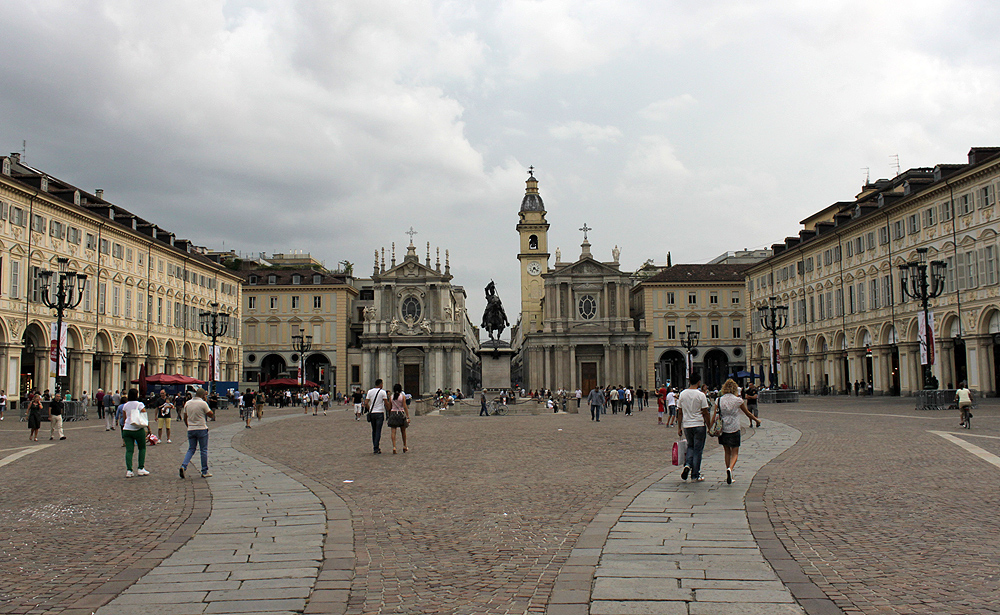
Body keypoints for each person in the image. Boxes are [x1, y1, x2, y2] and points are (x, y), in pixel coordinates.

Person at [713, 379, 761, 484]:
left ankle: (728, 471)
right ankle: (730, 469)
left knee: (727, 452)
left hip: (723, 428)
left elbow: (715, 415)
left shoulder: (719, 400)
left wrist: (710, 427)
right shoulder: (738, 400)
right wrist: (756, 420)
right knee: (735, 452)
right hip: (734, 427)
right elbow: (747, 413)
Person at [677, 373, 711, 482]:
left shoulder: (682, 394)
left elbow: (680, 412)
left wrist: (679, 427)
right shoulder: (701, 395)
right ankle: (695, 474)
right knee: (698, 450)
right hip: (699, 424)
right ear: (699, 382)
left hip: (687, 425)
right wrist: (709, 426)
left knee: (690, 447)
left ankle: (687, 465)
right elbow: (705, 412)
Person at [180, 388, 214, 479]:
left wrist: (188, 426)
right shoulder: (203, 403)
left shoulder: (188, 403)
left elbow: (185, 417)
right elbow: (211, 414)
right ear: (203, 395)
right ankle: (204, 471)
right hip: (201, 428)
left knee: (191, 449)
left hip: (191, 429)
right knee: (203, 450)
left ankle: (184, 465)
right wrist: (207, 403)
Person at [121, 389, 150, 478]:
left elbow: (125, 418)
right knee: (142, 448)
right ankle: (140, 468)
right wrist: (148, 428)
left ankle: (129, 470)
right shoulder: (139, 404)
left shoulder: (125, 405)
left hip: (127, 429)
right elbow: (144, 416)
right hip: (137, 429)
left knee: (129, 450)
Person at [365, 379, 389, 454]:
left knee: (374, 430)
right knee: (378, 430)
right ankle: (376, 447)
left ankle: (375, 446)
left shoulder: (370, 391)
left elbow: (366, 403)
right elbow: (386, 403)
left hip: (372, 413)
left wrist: (370, 409)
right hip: (379, 413)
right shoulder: (382, 392)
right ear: (381, 384)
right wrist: (389, 411)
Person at [387, 383, 410, 454]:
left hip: (393, 414)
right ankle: (404, 446)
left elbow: (390, 407)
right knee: (403, 431)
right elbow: (405, 406)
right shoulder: (402, 397)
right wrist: (408, 416)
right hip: (400, 414)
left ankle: (394, 447)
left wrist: (389, 415)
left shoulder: (391, 397)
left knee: (393, 431)